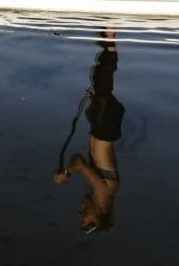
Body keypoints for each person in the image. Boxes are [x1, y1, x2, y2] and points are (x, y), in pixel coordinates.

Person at [53, 29, 125, 234]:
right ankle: (110, 35)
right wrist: (66, 174)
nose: (81, 214)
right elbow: (81, 165)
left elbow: (79, 161)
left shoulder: (99, 195)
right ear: (97, 218)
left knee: (100, 80)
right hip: (105, 127)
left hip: (102, 127)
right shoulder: (103, 197)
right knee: (104, 81)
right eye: (85, 219)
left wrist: (70, 170)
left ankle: (107, 39)